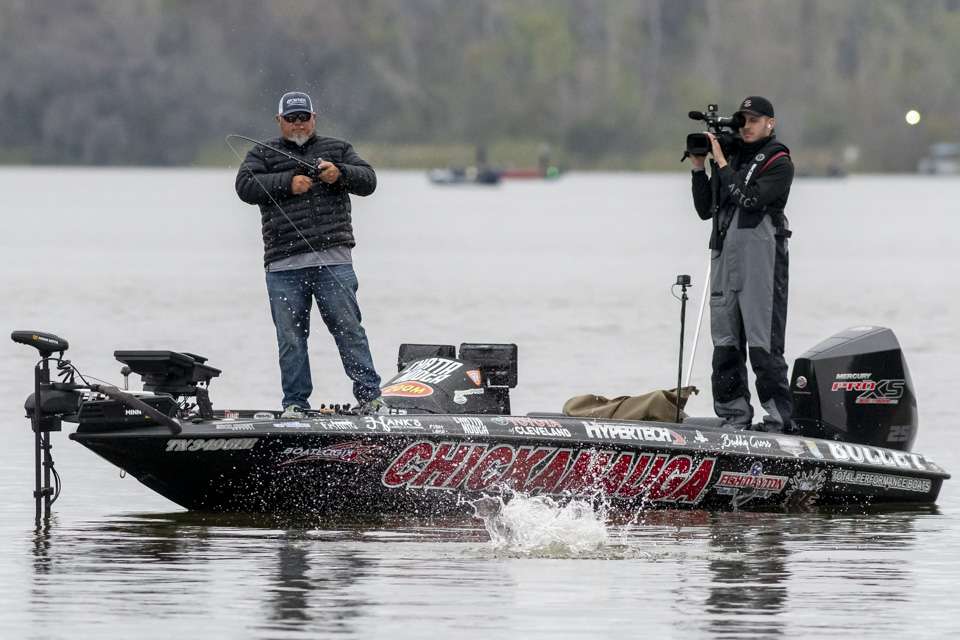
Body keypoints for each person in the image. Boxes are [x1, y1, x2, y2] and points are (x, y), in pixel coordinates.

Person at [235, 91, 382, 417]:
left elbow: (369, 181)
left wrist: (340, 174)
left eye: (304, 117)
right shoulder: (262, 154)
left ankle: (371, 398)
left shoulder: (338, 149)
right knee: (291, 339)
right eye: (291, 119)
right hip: (283, 266)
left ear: (314, 118)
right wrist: (288, 183)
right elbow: (244, 187)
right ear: (279, 121)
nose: (298, 124)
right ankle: (295, 404)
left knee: (350, 331)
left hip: (334, 261)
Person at [689, 96, 794, 432]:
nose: (746, 126)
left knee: (763, 346)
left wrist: (721, 162)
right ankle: (734, 417)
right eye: (742, 120)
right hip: (724, 258)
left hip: (761, 262)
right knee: (725, 345)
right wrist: (698, 166)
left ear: (770, 123)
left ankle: (779, 421)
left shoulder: (779, 161)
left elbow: (750, 199)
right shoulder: (732, 158)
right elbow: (705, 209)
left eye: (754, 120)